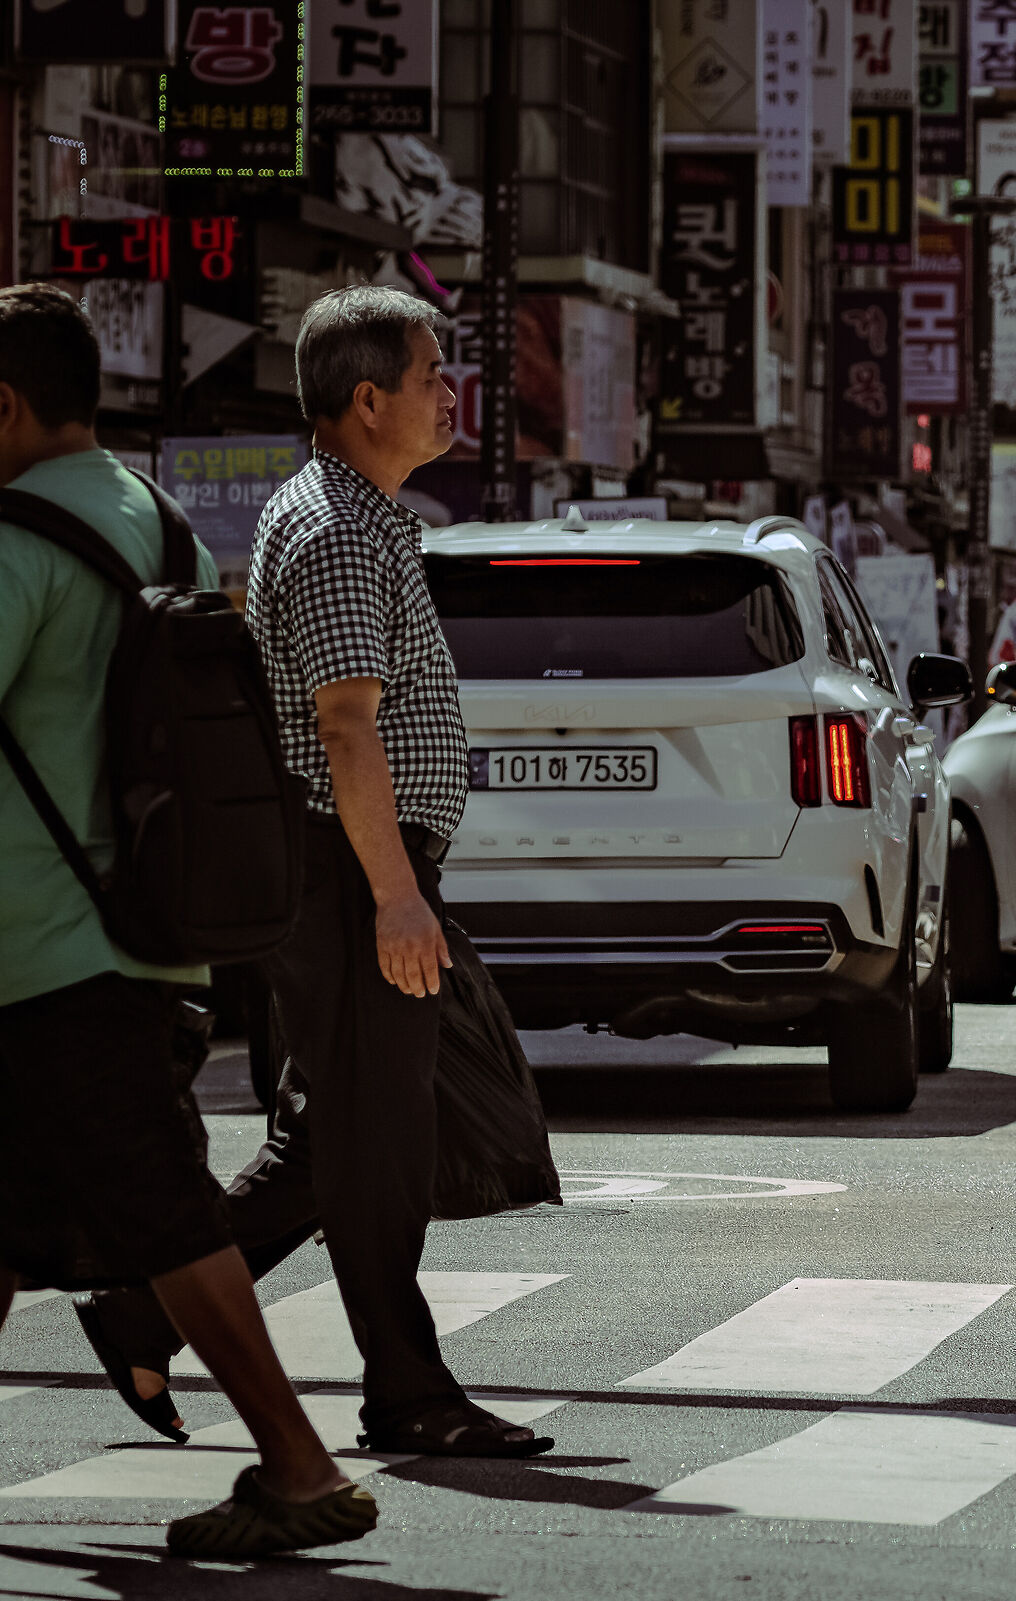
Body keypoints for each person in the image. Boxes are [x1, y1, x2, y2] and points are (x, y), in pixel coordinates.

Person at [76, 286, 551, 1459]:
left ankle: (140, 1307)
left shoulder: (366, 514)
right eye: (435, 373)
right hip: (346, 871)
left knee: (323, 1138)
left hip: (361, 868)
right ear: (367, 397)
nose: (453, 393)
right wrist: (394, 893)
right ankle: (406, 1387)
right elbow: (346, 726)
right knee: (377, 1140)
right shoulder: (339, 527)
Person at [0, 283, 378, 1557]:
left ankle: (297, 1461)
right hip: (151, 932)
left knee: (166, 1207)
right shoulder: (154, 521)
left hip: (44, 948)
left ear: (4, 404)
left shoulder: (13, 543)